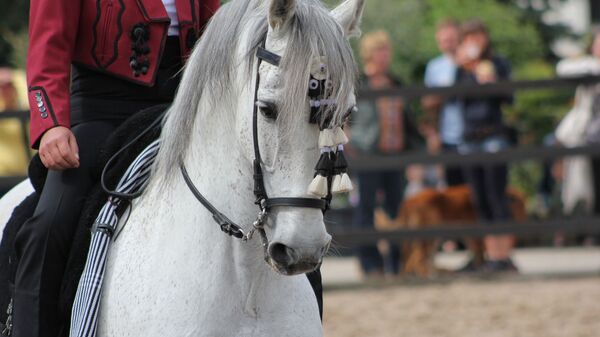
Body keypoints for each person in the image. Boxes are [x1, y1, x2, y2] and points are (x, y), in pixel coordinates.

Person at [12, 1, 220, 336]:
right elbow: (48, 47)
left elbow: (216, 31)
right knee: (49, 226)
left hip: (185, 109)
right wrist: (51, 124)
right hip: (102, 110)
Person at [350, 31, 423, 277]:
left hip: (395, 156)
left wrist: (415, 153)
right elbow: (345, 118)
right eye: (380, 51)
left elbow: (409, 122)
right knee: (366, 210)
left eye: (387, 51)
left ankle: (395, 263)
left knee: (397, 210)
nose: (384, 56)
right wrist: (352, 142)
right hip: (368, 154)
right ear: (370, 54)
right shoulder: (358, 82)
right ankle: (371, 265)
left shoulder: (396, 83)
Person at [454, 20, 517, 272]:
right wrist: (467, 70)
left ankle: (503, 256)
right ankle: (492, 256)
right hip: (470, 139)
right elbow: (457, 99)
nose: (474, 42)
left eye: (478, 36)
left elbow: (509, 98)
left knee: (497, 196)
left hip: (493, 136)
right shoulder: (462, 68)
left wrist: (491, 80)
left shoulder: (498, 63)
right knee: (480, 199)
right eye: (469, 37)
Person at [423, 19, 465, 187]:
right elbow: (427, 103)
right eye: (443, 40)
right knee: (453, 189)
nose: (447, 44)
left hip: (471, 136)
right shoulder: (434, 67)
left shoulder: (470, 61)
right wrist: (433, 134)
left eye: (450, 39)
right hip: (448, 136)